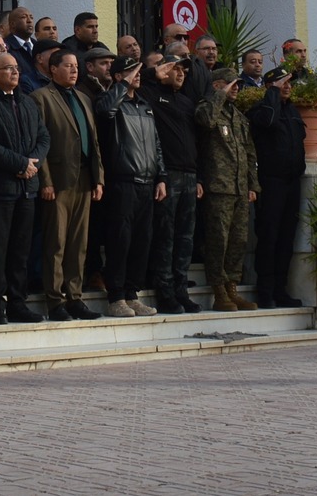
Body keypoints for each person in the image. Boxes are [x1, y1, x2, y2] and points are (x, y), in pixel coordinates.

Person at [0, 53, 48, 324]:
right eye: (7, 68)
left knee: (21, 249)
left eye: (16, 68)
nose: (15, 72)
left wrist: (32, 165)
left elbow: (43, 137)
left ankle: (18, 302)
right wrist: (20, 163)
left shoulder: (27, 102)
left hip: (27, 186)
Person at [30, 48, 103, 321]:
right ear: (53, 69)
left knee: (78, 243)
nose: (74, 70)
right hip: (58, 181)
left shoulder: (83, 98)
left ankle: (75, 298)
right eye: (68, 66)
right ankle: (55, 300)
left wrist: (99, 179)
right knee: (56, 243)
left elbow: (93, 142)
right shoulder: (41, 98)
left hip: (84, 178)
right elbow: (40, 143)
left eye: (76, 66)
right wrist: (45, 180)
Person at [95, 55, 167, 317]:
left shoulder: (144, 105)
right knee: (120, 241)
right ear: (117, 77)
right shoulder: (110, 100)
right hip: (122, 182)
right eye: (130, 70)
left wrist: (162, 177)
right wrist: (121, 87)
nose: (137, 73)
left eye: (138, 69)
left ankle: (131, 293)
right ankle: (115, 297)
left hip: (147, 183)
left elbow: (156, 144)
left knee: (141, 241)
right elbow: (104, 112)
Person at [139, 55, 201, 314]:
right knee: (165, 236)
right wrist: (155, 75)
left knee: (185, 238)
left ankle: (180, 289)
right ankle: (164, 292)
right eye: (175, 69)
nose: (180, 74)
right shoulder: (152, 96)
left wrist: (199, 178)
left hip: (189, 176)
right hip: (167, 175)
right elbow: (138, 89)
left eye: (184, 71)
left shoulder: (186, 101)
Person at [196, 72, 259, 310]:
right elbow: (206, 122)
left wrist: (253, 184)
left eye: (239, 84)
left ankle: (232, 287)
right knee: (218, 240)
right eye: (232, 84)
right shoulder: (207, 107)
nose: (236, 88)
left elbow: (250, 153)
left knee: (238, 240)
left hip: (240, 187)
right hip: (218, 186)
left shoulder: (239, 117)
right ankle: (219, 290)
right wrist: (218, 97)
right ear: (217, 86)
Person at [247, 66, 306, 308]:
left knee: (286, 238)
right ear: (271, 86)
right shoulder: (262, 110)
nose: (288, 87)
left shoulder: (292, 111)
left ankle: (280, 289)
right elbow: (268, 122)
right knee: (269, 236)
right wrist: (271, 94)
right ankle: (265, 291)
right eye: (283, 83)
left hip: (292, 182)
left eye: (289, 83)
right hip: (271, 182)